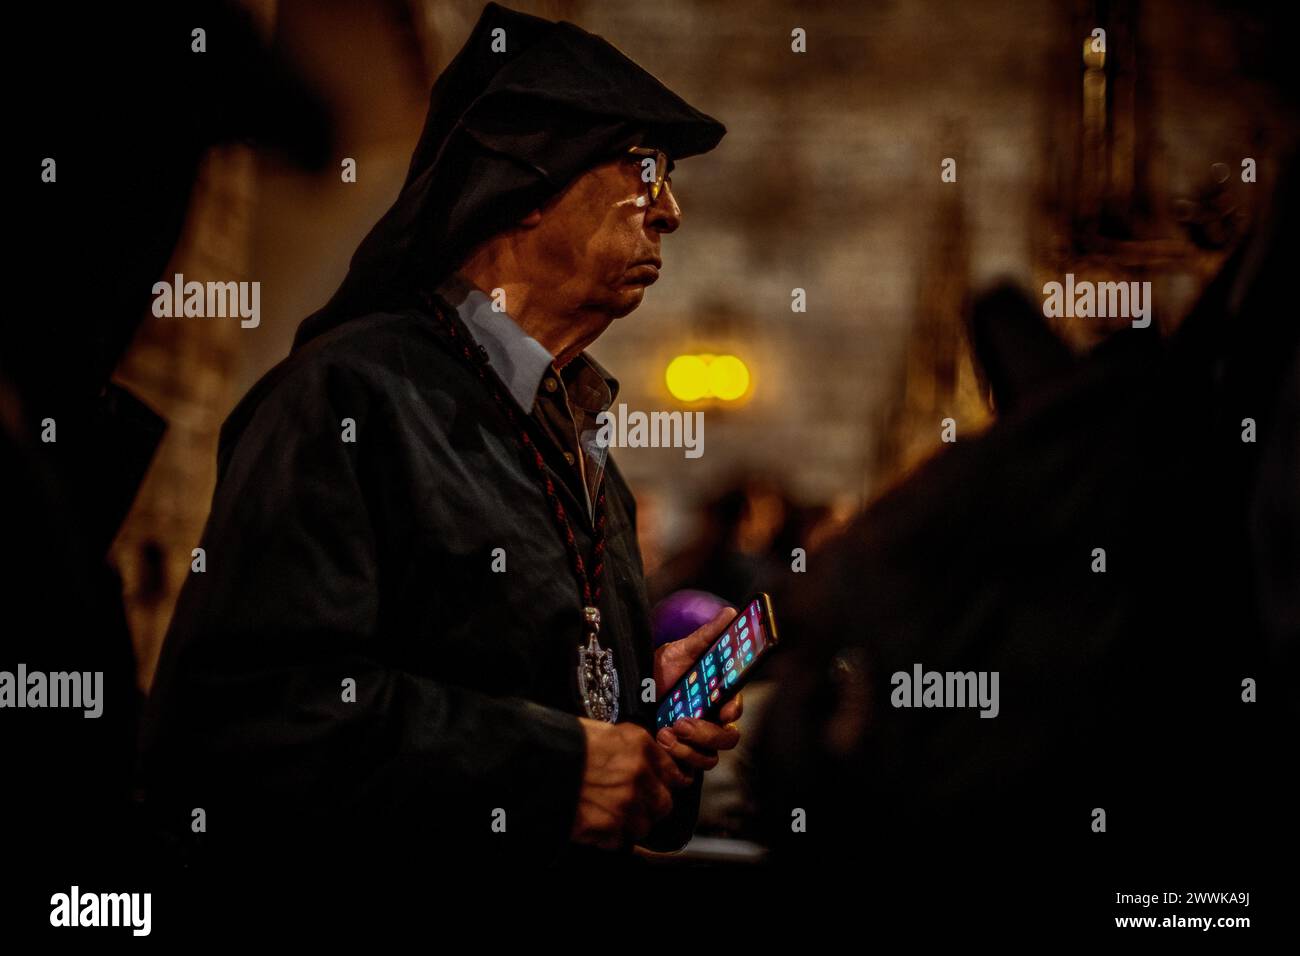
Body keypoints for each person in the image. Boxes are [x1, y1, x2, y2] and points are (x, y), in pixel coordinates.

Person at [139, 2, 740, 872]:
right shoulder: (349, 396)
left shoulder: (583, 452)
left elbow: (553, 701)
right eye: (645, 167)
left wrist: (654, 735)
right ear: (528, 185)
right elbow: (244, 719)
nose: (670, 210)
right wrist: (552, 770)